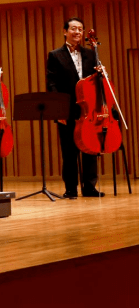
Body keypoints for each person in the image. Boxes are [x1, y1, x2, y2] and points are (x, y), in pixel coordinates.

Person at [46, 17, 104, 198]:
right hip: (68, 108)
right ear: (65, 31)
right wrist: (58, 110)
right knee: (69, 151)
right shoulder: (55, 55)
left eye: (80, 29)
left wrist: (102, 74)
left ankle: (90, 187)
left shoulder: (90, 53)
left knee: (90, 149)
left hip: (88, 110)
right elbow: (52, 84)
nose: (77, 32)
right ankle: (71, 188)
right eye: (73, 28)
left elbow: (96, 83)